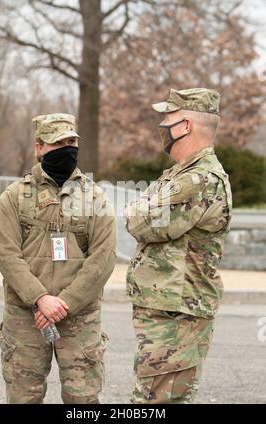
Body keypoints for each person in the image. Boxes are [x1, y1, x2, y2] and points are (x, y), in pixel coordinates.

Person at [0, 113, 117, 404]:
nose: (67, 148)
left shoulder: (94, 197)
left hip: (80, 317)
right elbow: (6, 254)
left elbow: (103, 258)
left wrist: (66, 303)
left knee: (82, 400)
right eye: (57, 142)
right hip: (26, 316)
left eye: (71, 141)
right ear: (39, 147)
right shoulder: (14, 197)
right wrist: (40, 298)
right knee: (24, 396)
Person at [124, 88, 232, 404]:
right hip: (171, 306)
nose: (163, 126)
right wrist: (141, 207)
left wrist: (138, 207)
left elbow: (139, 221)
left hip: (177, 311)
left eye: (168, 118)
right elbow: (143, 212)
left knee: (157, 400)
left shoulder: (198, 179)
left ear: (184, 125)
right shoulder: (183, 173)